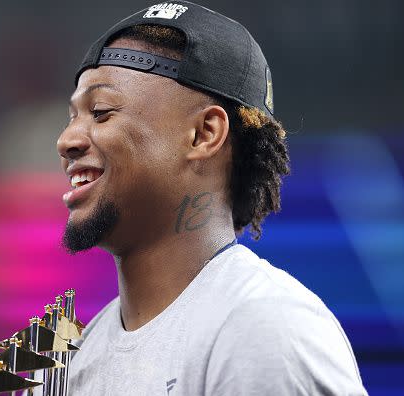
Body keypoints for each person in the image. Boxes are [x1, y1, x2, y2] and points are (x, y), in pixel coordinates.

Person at [56, 1, 367, 394]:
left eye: (100, 112)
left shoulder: (262, 328)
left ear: (204, 134)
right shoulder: (81, 355)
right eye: (72, 116)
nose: (67, 141)